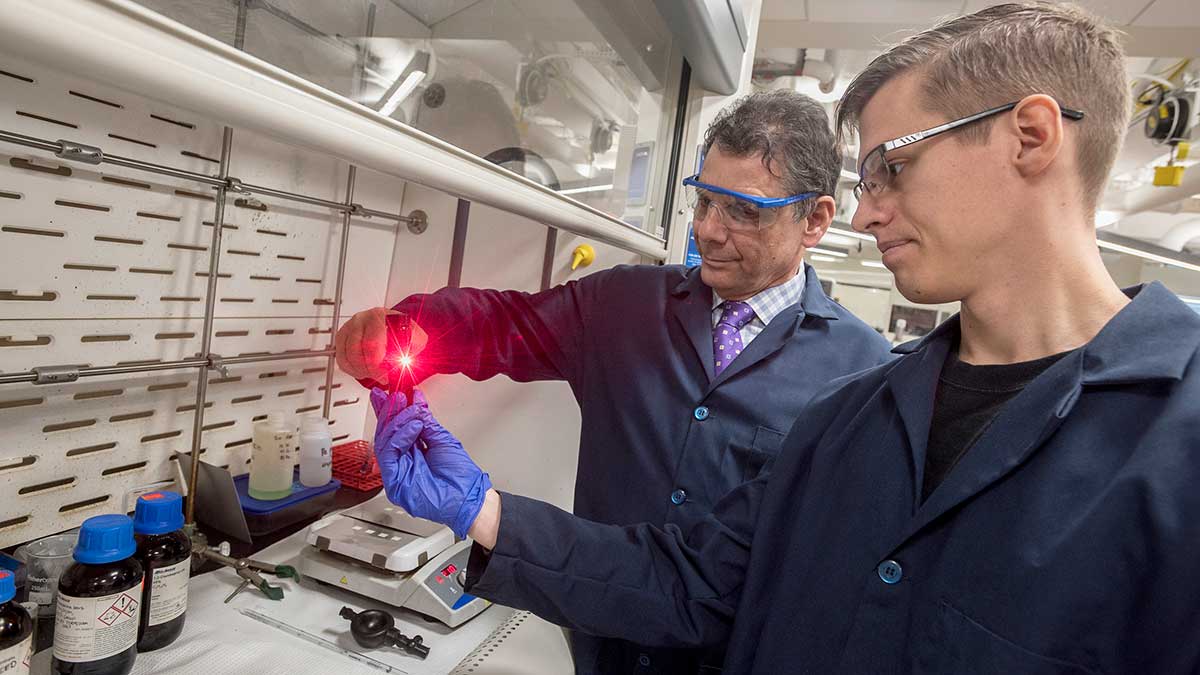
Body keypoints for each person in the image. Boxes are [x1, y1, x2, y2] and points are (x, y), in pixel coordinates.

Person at [368, 3, 1200, 672]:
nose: (871, 212)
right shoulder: (858, 415)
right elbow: (696, 580)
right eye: (705, 201)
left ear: (1031, 136)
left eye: (893, 167)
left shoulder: (1176, 444)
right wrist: (480, 506)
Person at [338, 90, 893, 674]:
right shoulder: (624, 303)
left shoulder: (862, 372)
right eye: (705, 199)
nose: (708, 229)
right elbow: (508, 324)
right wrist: (408, 327)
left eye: (742, 211)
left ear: (815, 220)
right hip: (598, 646)